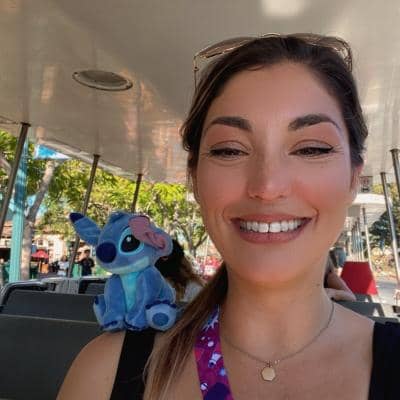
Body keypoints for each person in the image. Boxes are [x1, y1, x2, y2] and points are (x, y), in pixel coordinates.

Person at [58, 34, 400, 400]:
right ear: (195, 178)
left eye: (312, 149)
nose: (267, 186)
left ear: (353, 178)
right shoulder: (106, 374)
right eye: (229, 150)